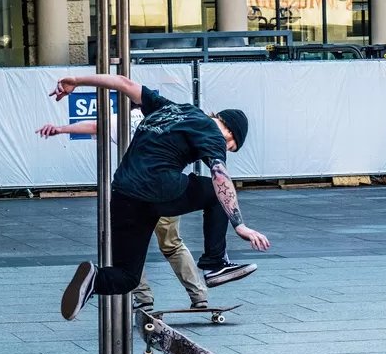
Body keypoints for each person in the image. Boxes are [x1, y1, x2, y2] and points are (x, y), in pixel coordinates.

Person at [46, 74, 270, 321]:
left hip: (123, 192)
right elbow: (220, 176)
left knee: (127, 277)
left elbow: (124, 83)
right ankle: (215, 264)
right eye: (231, 147)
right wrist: (239, 225)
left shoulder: (170, 108)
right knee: (216, 195)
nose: (226, 149)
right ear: (230, 134)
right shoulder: (213, 132)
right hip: (159, 186)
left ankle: (94, 279)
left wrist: (77, 81)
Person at [35, 102, 214, 311]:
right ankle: (199, 295)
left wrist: (60, 129)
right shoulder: (165, 119)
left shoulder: (121, 120)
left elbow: (94, 127)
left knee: (132, 252)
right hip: (167, 192)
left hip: (134, 194)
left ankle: (144, 298)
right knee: (173, 245)